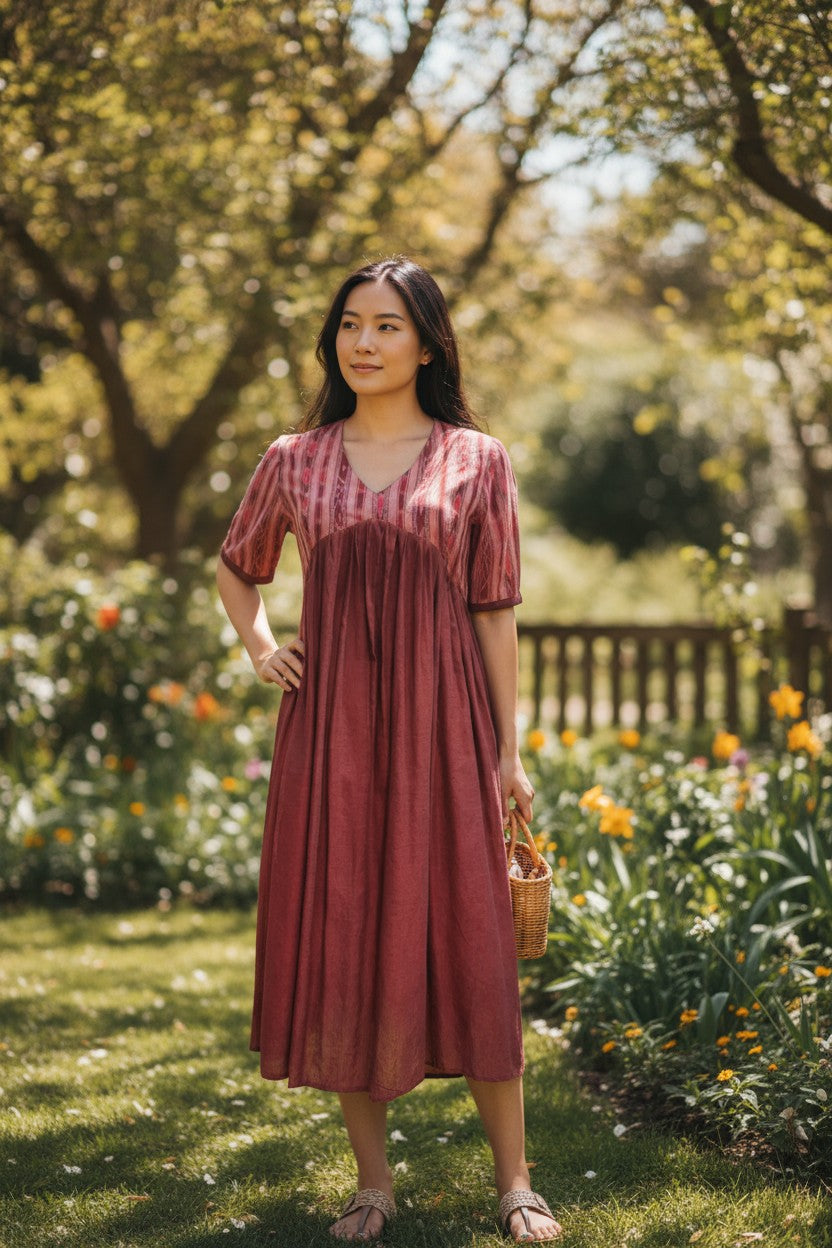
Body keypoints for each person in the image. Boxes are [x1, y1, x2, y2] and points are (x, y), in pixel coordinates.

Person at [216, 256, 561, 1243]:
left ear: (425, 343)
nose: (362, 344)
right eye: (349, 326)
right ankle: (373, 1181)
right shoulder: (292, 457)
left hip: (444, 725)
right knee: (343, 928)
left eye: (386, 327)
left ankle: (516, 1182)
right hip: (329, 735)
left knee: (474, 935)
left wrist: (508, 751)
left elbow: (495, 613)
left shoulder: (475, 460)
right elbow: (240, 568)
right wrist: (257, 645)